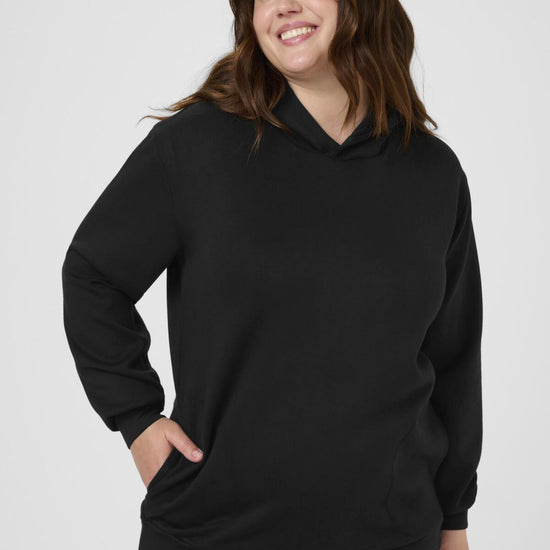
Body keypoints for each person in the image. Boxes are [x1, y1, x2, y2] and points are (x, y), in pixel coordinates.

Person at [61, 1, 483, 549]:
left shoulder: (433, 173)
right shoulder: (195, 146)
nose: (284, 6)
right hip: (214, 532)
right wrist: (137, 418)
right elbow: (94, 275)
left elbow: (453, 356)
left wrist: (453, 518)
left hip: (395, 533)